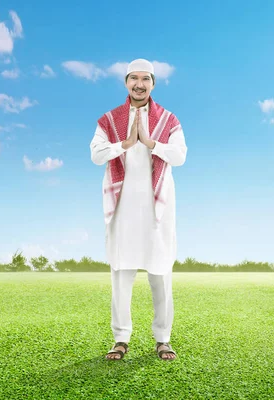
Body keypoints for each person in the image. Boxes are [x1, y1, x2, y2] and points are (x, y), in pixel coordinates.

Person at [89, 58, 187, 361]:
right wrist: (126, 144)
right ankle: (120, 339)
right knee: (121, 272)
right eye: (134, 78)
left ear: (153, 83)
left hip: (158, 209)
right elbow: (96, 154)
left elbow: (180, 155)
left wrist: (151, 142)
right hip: (122, 208)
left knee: (160, 273)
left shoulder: (168, 120)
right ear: (126, 82)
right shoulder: (110, 119)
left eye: (146, 79)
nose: (139, 84)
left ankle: (163, 339)